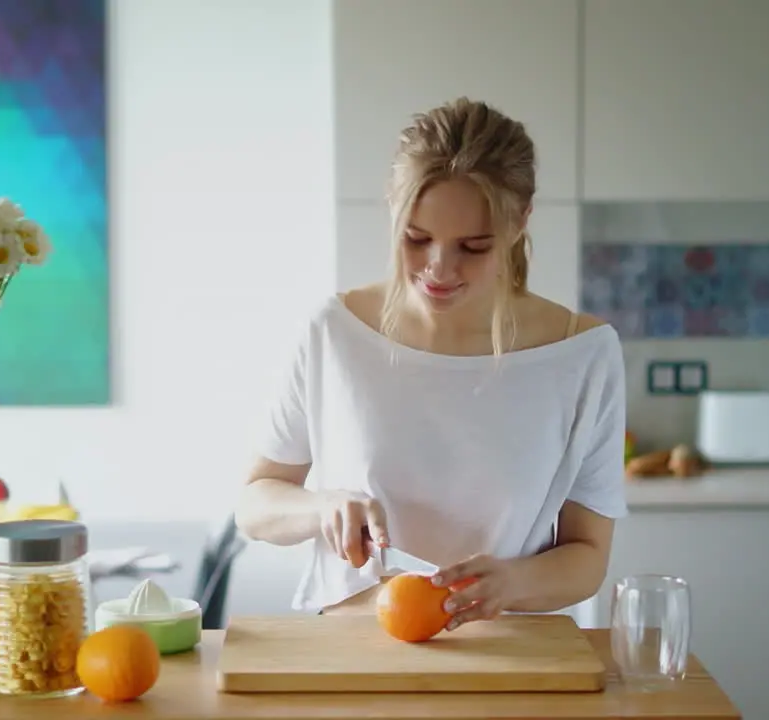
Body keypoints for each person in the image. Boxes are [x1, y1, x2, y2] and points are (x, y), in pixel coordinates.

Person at [234, 97, 627, 632]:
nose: (438, 269)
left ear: (520, 224)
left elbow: (588, 555)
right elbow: (255, 505)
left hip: (503, 659)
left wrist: (513, 581)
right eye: (417, 239)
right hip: (348, 652)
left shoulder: (584, 355)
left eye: (473, 246)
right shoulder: (335, 331)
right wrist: (321, 506)